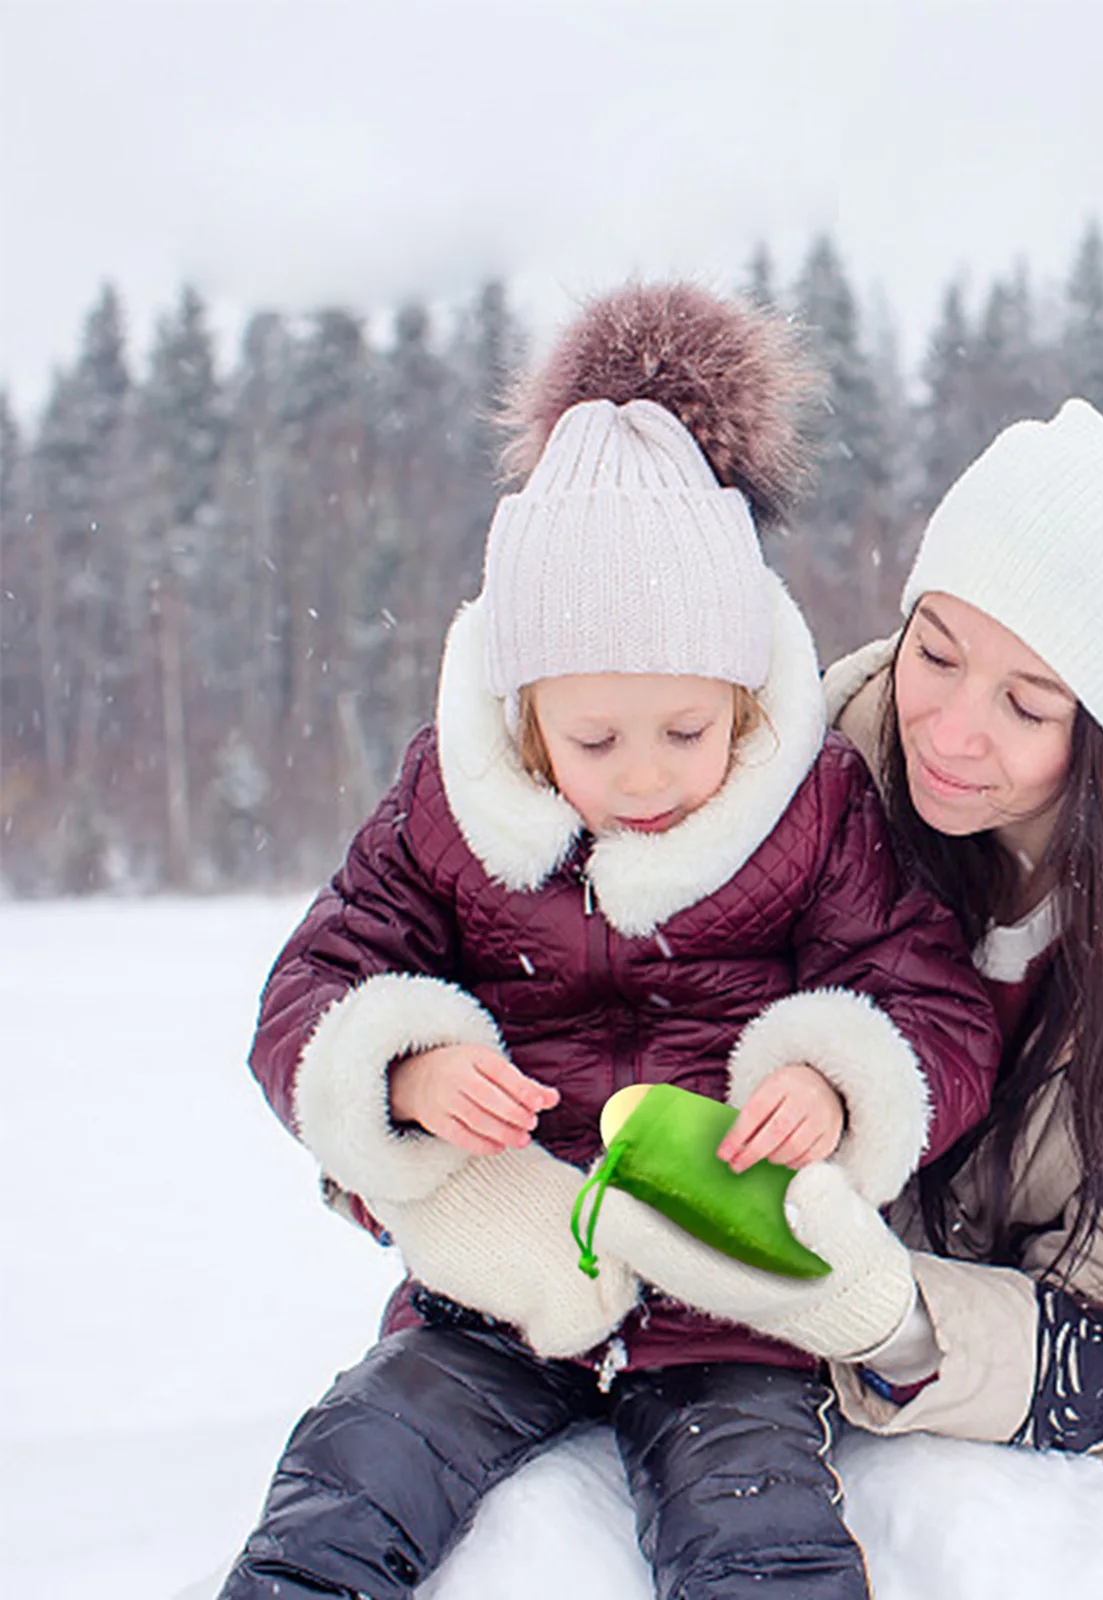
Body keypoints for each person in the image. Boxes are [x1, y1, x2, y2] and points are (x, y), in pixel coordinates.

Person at [218, 284, 1001, 1600]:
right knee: (355, 1472)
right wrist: (400, 1071)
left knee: (760, 1537)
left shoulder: (809, 810)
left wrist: (835, 1080)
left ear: (744, 696)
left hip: (729, 1309)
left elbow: (929, 999)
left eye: (685, 733)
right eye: (594, 740)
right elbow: (311, 990)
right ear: (526, 717)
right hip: (495, 1291)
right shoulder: (446, 811)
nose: (644, 775)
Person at [600, 398, 1103, 1599]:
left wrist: (891, 1315)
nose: (946, 728)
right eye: (934, 653)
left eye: (1028, 703)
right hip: (789, 1350)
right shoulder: (797, 787)